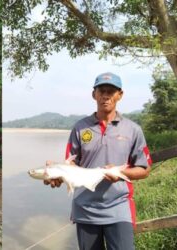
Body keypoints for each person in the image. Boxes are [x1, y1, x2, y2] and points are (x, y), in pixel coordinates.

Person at [45, 72, 152, 250]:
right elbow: (70, 163)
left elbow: (145, 169)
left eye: (111, 91)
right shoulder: (80, 127)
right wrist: (57, 174)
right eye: (101, 90)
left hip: (119, 207)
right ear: (94, 94)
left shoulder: (133, 130)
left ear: (120, 95)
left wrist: (121, 173)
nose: (106, 95)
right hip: (85, 208)